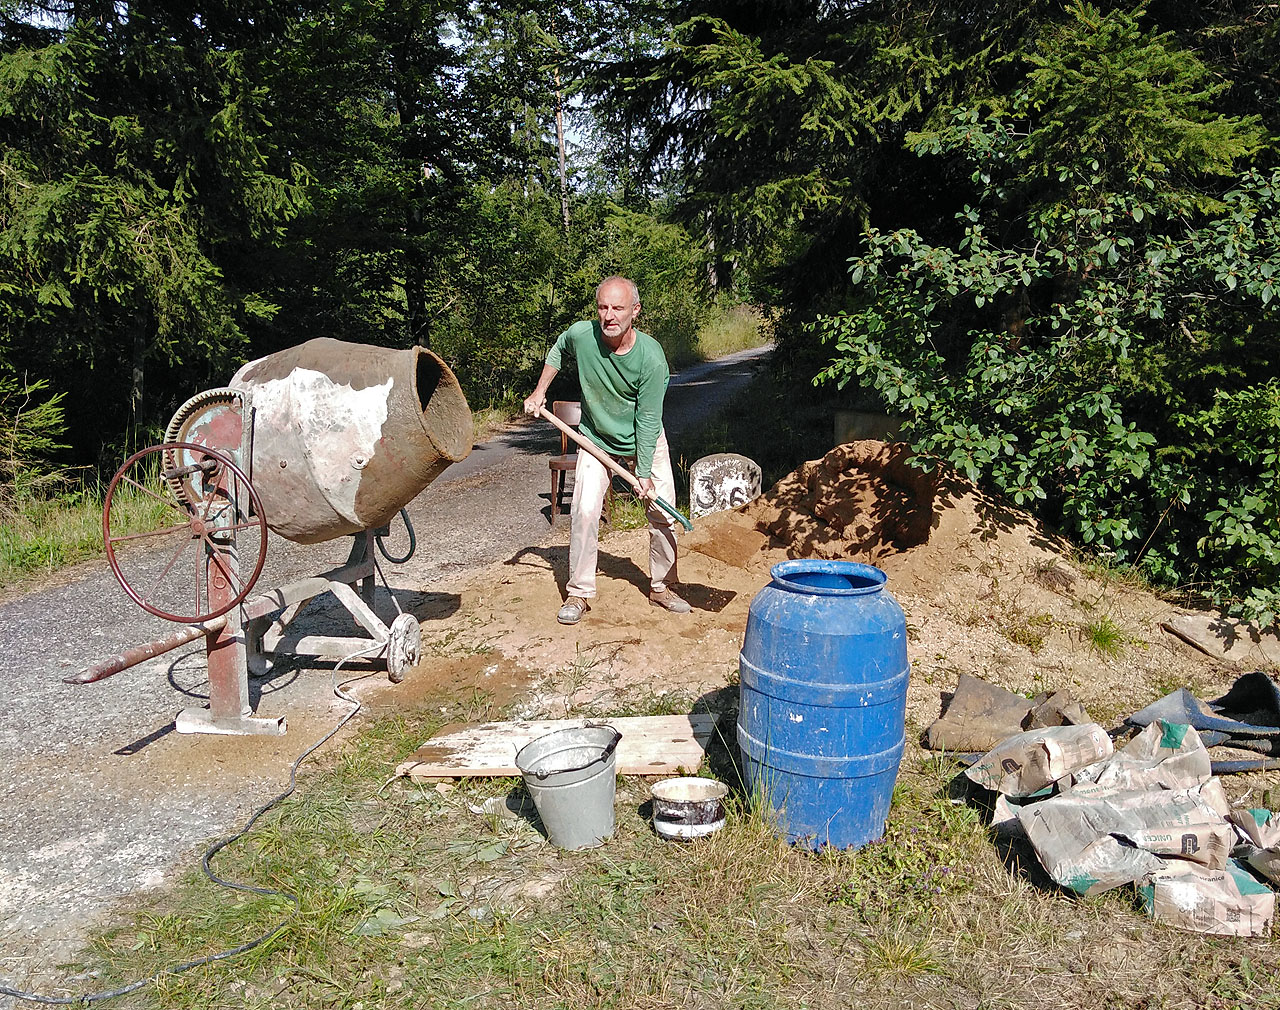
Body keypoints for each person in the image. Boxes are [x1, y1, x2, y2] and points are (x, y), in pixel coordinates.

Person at [523, 275, 690, 625]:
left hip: (643, 439)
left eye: (618, 307)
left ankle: (661, 585)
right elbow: (558, 348)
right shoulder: (583, 335)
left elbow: (647, 421)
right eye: (603, 307)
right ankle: (579, 593)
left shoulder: (651, 358)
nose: (609, 315)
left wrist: (642, 474)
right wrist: (540, 391)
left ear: (635, 311)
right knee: (584, 511)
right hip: (596, 439)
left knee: (663, 513)